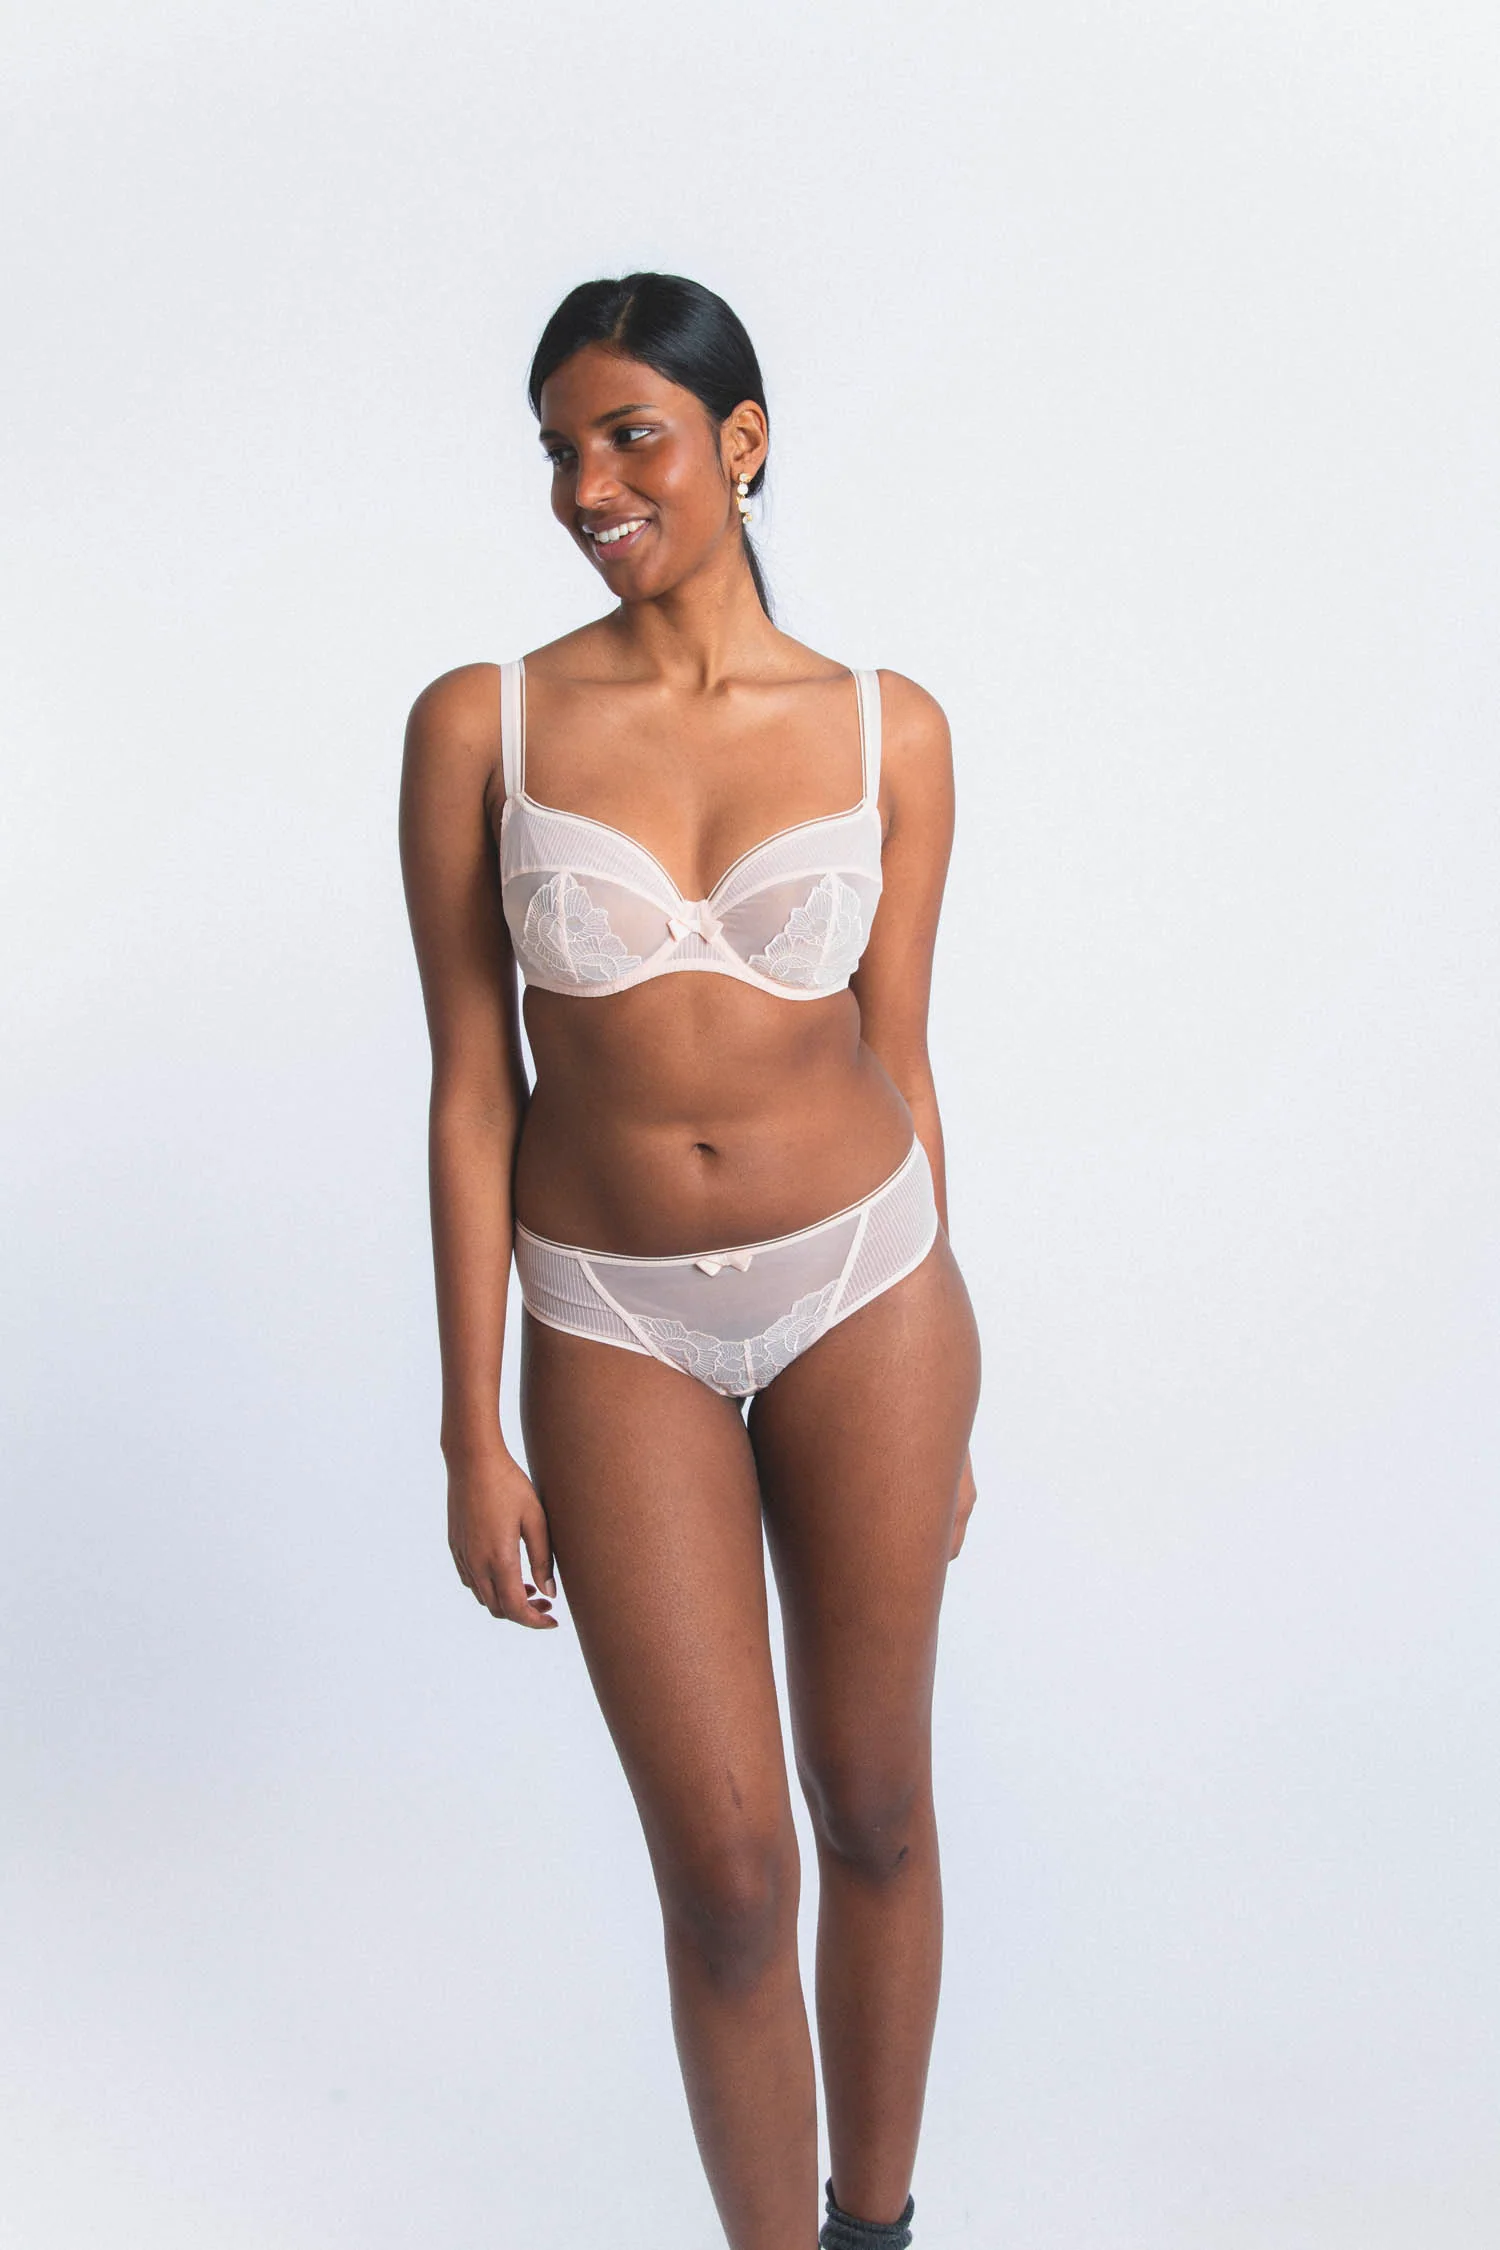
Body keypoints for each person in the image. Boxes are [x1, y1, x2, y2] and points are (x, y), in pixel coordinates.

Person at [399, 272, 982, 2250]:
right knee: (728, 1876)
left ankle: (879, 2227)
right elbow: (473, 1090)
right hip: (610, 1313)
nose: (588, 488)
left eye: (629, 436)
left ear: (741, 441)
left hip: (871, 1292)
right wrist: (472, 1429)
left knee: (874, 1806)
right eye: (561, 450)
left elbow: (902, 1061)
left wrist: (956, 1374)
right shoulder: (482, 724)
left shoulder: (891, 729)